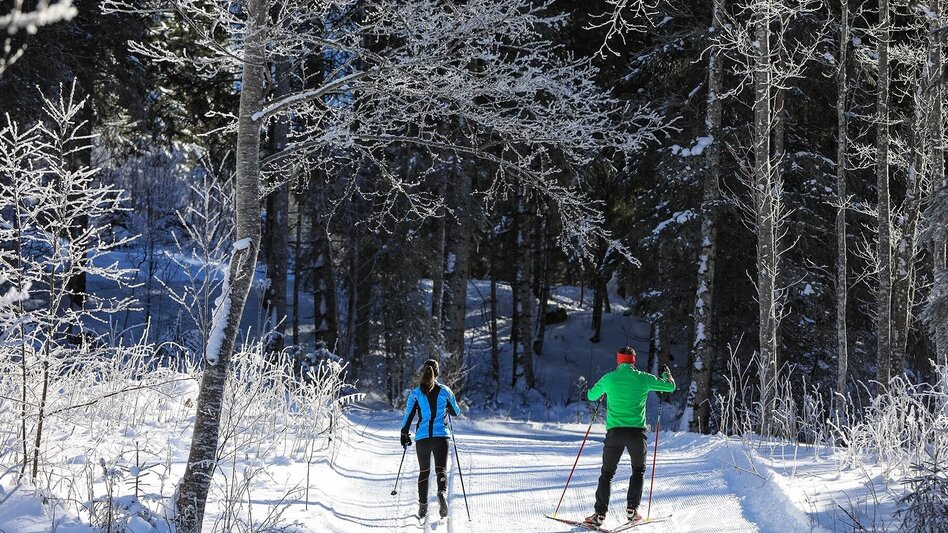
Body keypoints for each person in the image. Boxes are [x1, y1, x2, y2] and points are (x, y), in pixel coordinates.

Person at [583, 346, 675, 527]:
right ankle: (632, 511)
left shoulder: (609, 378)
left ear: (618, 360)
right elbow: (670, 387)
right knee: (638, 470)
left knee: (607, 474)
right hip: (636, 434)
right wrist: (667, 376)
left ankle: (599, 514)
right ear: (633, 360)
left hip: (615, 433)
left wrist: (603, 390)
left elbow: (591, 395)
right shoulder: (643, 378)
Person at [400, 359, 461, 520]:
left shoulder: (416, 393)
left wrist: (404, 433)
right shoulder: (445, 391)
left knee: (424, 472)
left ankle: (422, 508)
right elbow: (456, 412)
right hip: (441, 437)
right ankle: (441, 492)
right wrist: (447, 406)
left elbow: (408, 416)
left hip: (423, 438)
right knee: (441, 469)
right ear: (437, 372)